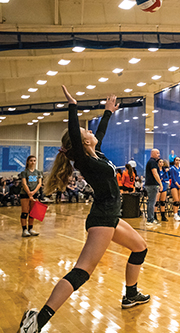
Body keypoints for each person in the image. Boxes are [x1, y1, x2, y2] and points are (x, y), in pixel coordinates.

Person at [18, 88, 150, 333]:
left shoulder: (95, 154)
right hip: (103, 219)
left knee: (140, 247)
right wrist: (73, 106)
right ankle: (37, 322)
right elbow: (77, 137)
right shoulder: (84, 160)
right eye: (85, 131)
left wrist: (107, 113)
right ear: (83, 142)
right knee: (82, 272)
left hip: (110, 216)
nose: (90, 132)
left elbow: (99, 133)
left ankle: (131, 294)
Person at [19, 155, 43, 237]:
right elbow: (24, 183)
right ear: (28, 162)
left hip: (34, 194)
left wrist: (33, 192)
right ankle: (24, 230)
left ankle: (30, 229)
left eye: (34, 161)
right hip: (25, 194)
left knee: (32, 213)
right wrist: (29, 193)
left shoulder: (38, 172)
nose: (33, 162)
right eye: (31, 161)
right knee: (25, 212)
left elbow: (39, 183)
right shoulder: (24, 172)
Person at [144, 149, 162, 226]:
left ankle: (150, 219)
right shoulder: (152, 162)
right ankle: (150, 220)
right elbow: (155, 173)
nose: (159, 155)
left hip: (150, 185)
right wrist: (160, 184)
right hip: (152, 185)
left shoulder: (151, 162)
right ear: (152, 153)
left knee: (151, 202)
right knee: (151, 202)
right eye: (157, 153)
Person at [169, 156, 180, 221]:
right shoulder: (172, 168)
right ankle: (175, 215)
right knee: (176, 200)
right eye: (176, 160)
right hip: (174, 186)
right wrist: (178, 185)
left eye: (179, 160)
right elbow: (173, 178)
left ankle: (177, 214)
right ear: (174, 161)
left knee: (178, 201)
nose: (178, 161)